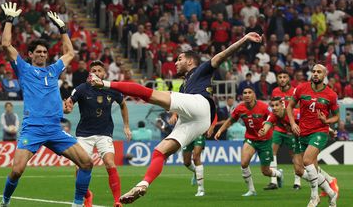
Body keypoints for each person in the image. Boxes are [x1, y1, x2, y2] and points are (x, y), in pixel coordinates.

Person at [87, 32, 263, 204]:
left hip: (200, 105)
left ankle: (106, 84)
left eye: (179, 59)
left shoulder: (201, 69)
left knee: (147, 93)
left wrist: (244, 39)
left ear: (190, 61)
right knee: (160, 151)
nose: (176, 63)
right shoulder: (184, 85)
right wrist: (175, 114)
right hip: (198, 121)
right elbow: (184, 104)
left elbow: (222, 55)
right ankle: (143, 184)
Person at [0, 2, 93, 207]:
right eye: (38, 52)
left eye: (44, 52)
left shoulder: (53, 69)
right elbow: (6, 45)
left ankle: (77, 204)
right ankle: (5, 201)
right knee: (16, 171)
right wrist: (9, 20)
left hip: (54, 129)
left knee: (87, 163)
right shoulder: (23, 69)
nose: (42, 54)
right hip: (32, 128)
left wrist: (63, 29)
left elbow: (69, 53)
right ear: (30, 54)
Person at [64, 60, 132, 207]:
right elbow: (68, 104)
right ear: (90, 73)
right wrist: (66, 109)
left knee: (110, 163)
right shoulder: (82, 88)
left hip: (104, 133)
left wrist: (126, 126)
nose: (96, 73)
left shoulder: (111, 88)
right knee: (79, 168)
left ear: (104, 73)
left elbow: (123, 104)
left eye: (99, 70)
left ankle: (117, 201)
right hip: (84, 134)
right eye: (93, 70)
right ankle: (87, 195)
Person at [211, 87, 283, 197]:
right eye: (245, 93)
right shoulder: (240, 108)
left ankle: (278, 174)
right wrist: (220, 130)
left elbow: (273, 118)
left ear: (254, 94)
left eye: (250, 92)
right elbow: (230, 120)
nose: (247, 95)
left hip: (265, 141)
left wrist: (267, 127)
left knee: (265, 171)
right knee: (244, 163)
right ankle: (251, 190)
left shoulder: (264, 107)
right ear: (242, 95)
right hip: (250, 139)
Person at [286, 64, 338, 207]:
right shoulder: (301, 88)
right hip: (302, 132)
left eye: (319, 72)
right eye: (314, 71)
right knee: (301, 169)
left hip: (319, 132)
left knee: (307, 161)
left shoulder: (331, 95)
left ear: (324, 75)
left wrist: (326, 121)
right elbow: (289, 106)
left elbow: (337, 117)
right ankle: (332, 193)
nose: (315, 74)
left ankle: (314, 197)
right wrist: (293, 124)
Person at [265, 70, 301, 190]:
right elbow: (275, 109)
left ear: (288, 79)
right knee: (272, 152)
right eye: (279, 77)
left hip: (291, 127)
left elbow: (298, 108)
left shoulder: (295, 91)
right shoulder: (275, 91)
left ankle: (297, 182)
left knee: (294, 155)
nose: (282, 79)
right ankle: (274, 180)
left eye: (284, 77)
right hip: (279, 127)